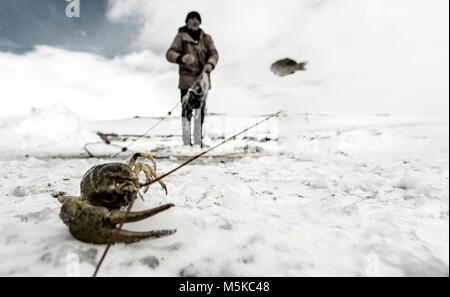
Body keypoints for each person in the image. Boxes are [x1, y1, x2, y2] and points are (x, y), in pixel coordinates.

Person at [166, 11, 219, 146]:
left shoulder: (207, 38)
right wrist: (181, 58)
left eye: (197, 19)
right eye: (191, 19)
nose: (194, 21)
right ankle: (186, 142)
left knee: (199, 112)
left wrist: (210, 64)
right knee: (187, 112)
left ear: (199, 22)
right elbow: (170, 53)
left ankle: (197, 142)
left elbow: (214, 53)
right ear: (187, 22)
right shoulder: (180, 37)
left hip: (203, 82)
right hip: (187, 82)